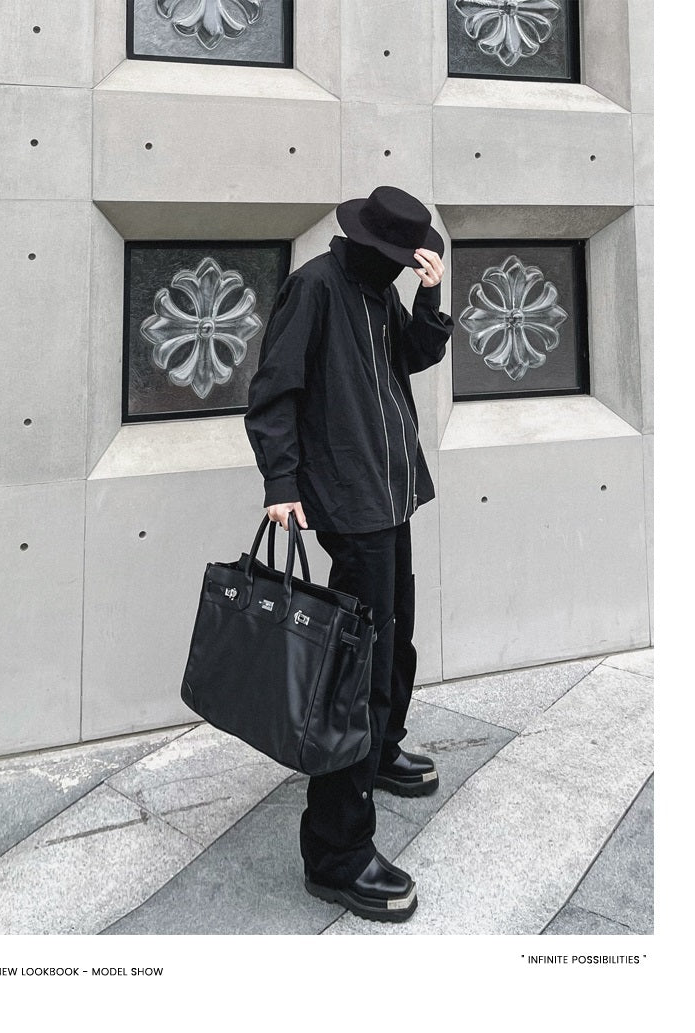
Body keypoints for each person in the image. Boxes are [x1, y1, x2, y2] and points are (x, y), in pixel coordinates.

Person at [244, 185, 455, 923]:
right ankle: (336, 852)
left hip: (392, 493)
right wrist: (280, 481)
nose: (403, 266)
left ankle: (383, 747)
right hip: (348, 496)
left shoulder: (379, 290)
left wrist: (430, 298)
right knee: (354, 670)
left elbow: (412, 357)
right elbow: (273, 389)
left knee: (396, 636)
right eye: (399, 257)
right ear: (369, 244)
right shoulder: (317, 288)